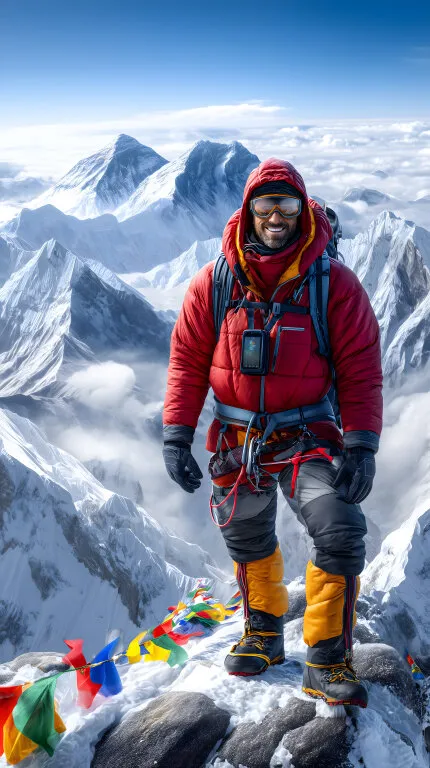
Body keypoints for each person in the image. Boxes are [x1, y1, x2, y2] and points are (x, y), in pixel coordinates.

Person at [162, 158, 383, 708]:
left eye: (286, 205)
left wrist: (361, 445)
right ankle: (263, 632)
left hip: (307, 432)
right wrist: (177, 432)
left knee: (338, 526)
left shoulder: (334, 285)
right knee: (245, 534)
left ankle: (327, 657)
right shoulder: (213, 282)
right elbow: (187, 361)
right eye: (265, 206)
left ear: (303, 211)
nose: (275, 216)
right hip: (237, 441)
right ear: (249, 211)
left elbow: (361, 367)